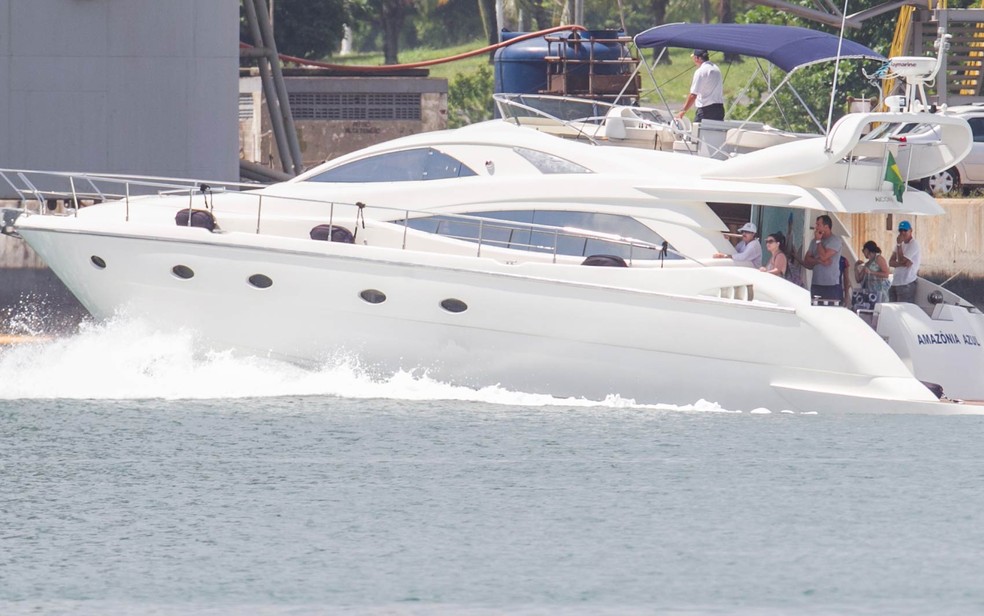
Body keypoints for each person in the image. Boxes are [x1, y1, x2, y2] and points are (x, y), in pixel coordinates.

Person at [675, 49, 725, 122]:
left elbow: (693, 94)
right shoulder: (716, 68)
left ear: (697, 58)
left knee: (698, 132)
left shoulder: (701, 71)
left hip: (706, 110)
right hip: (719, 109)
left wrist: (683, 111)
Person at [802, 214, 843, 303]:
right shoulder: (814, 242)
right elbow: (806, 261)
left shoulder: (835, 241)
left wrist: (818, 241)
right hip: (816, 283)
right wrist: (818, 261)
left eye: (818, 225)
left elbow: (824, 256)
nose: (815, 227)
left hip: (831, 285)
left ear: (826, 227)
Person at [852, 240, 891, 311]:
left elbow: (886, 274)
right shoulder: (867, 264)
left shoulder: (879, 259)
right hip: (869, 293)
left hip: (879, 292)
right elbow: (858, 279)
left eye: (863, 251)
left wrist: (872, 272)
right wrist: (856, 268)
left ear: (866, 250)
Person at [889, 220, 921, 302]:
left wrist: (899, 245)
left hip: (906, 283)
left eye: (905, 230)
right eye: (900, 230)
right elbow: (891, 262)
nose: (902, 233)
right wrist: (903, 264)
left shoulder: (914, 244)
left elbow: (901, 259)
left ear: (911, 231)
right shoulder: (899, 245)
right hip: (896, 282)